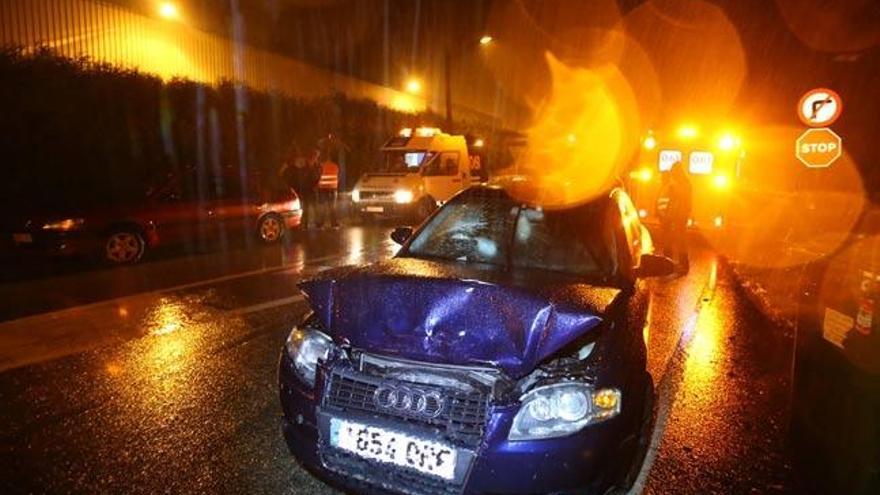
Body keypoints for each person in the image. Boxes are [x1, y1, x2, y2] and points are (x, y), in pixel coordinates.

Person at [657, 161, 692, 274]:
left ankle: (677, 264)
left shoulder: (679, 185)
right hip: (679, 215)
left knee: (676, 239)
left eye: (673, 172)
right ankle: (678, 263)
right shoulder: (684, 184)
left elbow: (675, 201)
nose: (672, 174)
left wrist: (668, 214)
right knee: (677, 239)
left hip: (677, 216)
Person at [316, 155, 340, 228]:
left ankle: (320, 223)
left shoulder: (320, 166)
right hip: (333, 189)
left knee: (322, 207)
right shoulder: (335, 166)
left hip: (323, 189)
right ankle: (334, 223)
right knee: (333, 207)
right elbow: (338, 177)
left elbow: (317, 176)